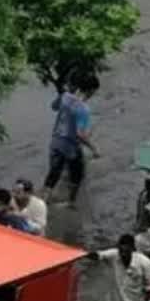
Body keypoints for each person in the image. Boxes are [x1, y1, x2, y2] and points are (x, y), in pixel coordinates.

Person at [42, 73, 100, 205]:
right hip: (71, 147)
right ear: (91, 90)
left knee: (53, 173)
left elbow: (53, 107)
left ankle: (44, 202)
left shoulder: (65, 96)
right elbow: (80, 134)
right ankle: (71, 202)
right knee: (78, 176)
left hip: (55, 142)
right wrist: (94, 148)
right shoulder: (84, 109)